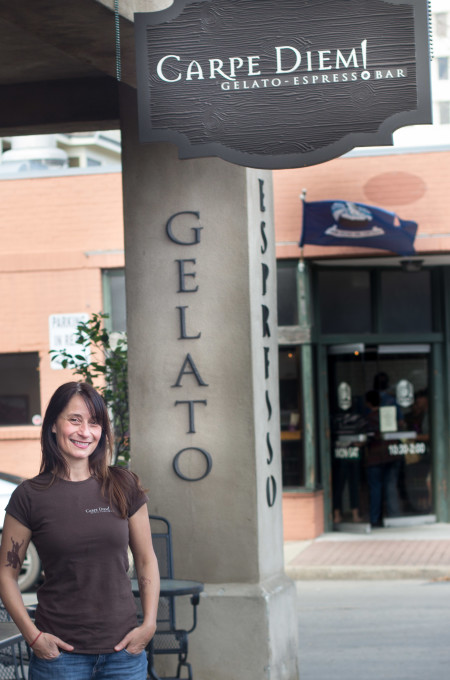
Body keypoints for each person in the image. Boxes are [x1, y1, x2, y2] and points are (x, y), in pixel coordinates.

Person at [0, 381, 160, 680]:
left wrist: (149, 624)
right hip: (59, 658)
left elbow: (146, 559)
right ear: (53, 425)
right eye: (75, 420)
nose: (85, 432)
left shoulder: (123, 485)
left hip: (124, 653)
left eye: (95, 423)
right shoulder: (29, 495)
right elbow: (6, 573)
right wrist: (33, 637)